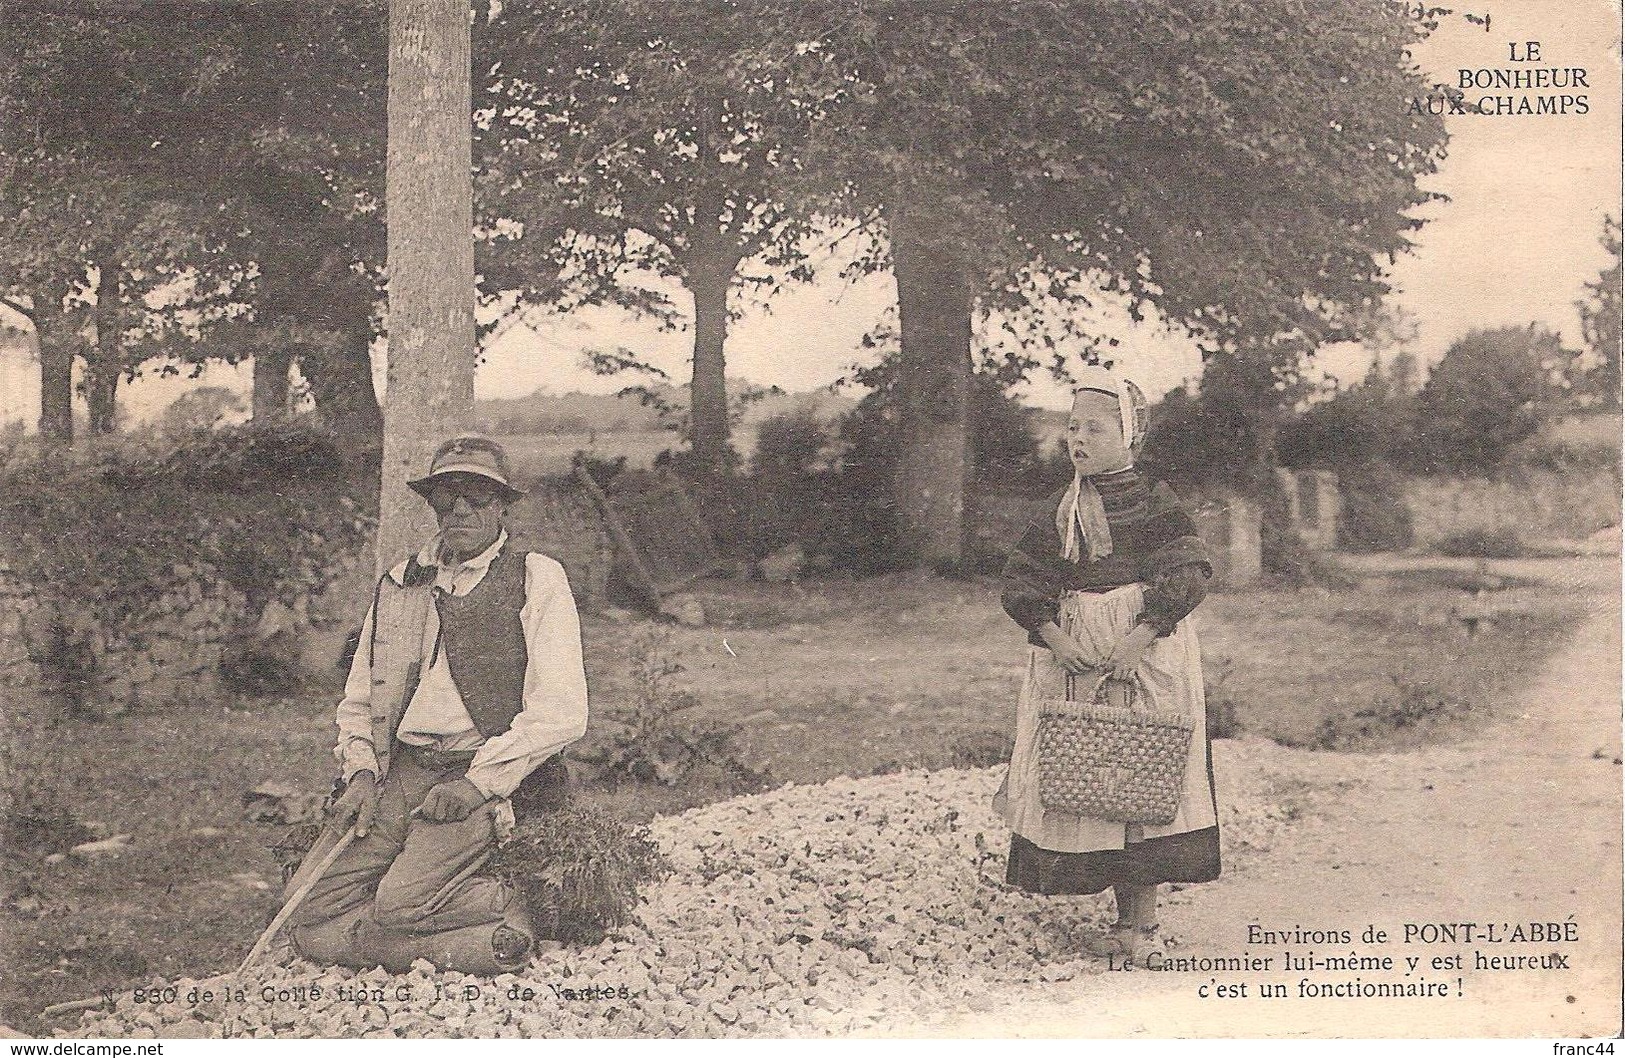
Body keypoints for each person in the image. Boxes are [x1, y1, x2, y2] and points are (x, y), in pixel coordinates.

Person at [284, 434, 589, 975]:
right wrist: (360, 773)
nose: (461, 509)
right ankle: (472, 942)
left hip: (482, 775)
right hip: (403, 771)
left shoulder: (535, 576)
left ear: (502, 505)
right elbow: (362, 697)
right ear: (432, 505)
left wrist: (479, 784)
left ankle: (525, 897)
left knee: (397, 903)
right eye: (447, 497)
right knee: (306, 907)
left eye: (478, 495)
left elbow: (562, 710)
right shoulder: (402, 583)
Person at [995, 365, 1217, 960]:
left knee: (1145, 779)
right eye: (1072, 427)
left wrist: (1140, 637)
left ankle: (1140, 924)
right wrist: (1054, 636)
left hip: (1148, 654)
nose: (1079, 440)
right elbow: (1022, 578)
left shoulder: (1155, 502)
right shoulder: (1060, 510)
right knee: (1090, 778)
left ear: (1130, 435)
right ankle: (1113, 911)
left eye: (1095, 428)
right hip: (1076, 658)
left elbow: (1187, 574)